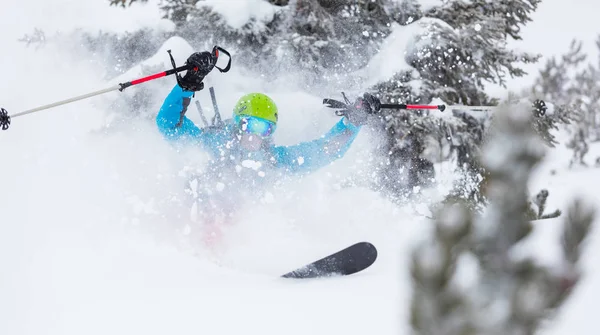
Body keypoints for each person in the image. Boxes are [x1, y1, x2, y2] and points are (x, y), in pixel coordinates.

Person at [155, 51, 380, 246]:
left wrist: (353, 122)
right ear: (237, 123)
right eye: (249, 125)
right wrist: (188, 84)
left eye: (264, 129)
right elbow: (168, 122)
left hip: (240, 237)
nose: (254, 134)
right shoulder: (212, 144)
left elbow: (325, 150)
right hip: (196, 225)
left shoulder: (274, 161)